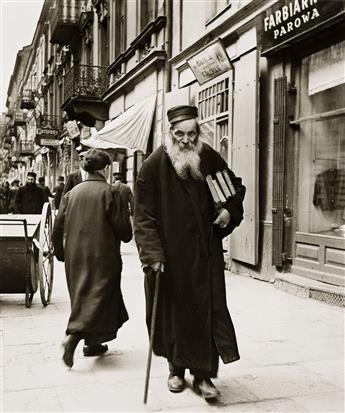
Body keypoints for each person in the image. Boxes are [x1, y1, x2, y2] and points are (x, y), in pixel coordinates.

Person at [134, 105, 246, 400]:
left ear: (198, 133)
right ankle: (175, 369)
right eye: (180, 134)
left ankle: (204, 376)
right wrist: (153, 255)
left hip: (204, 253)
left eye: (192, 133)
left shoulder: (208, 157)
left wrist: (227, 212)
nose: (186, 139)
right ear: (170, 133)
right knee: (173, 315)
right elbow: (143, 216)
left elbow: (232, 188)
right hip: (169, 258)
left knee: (207, 313)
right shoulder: (154, 166)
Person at [52, 149, 133, 368]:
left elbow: (57, 226)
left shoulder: (71, 194)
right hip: (103, 255)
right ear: (106, 169)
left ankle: (93, 344)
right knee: (99, 297)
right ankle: (74, 338)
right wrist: (127, 232)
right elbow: (124, 231)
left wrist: (61, 252)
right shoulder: (111, 193)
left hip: (75, 256)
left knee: (83, 296)